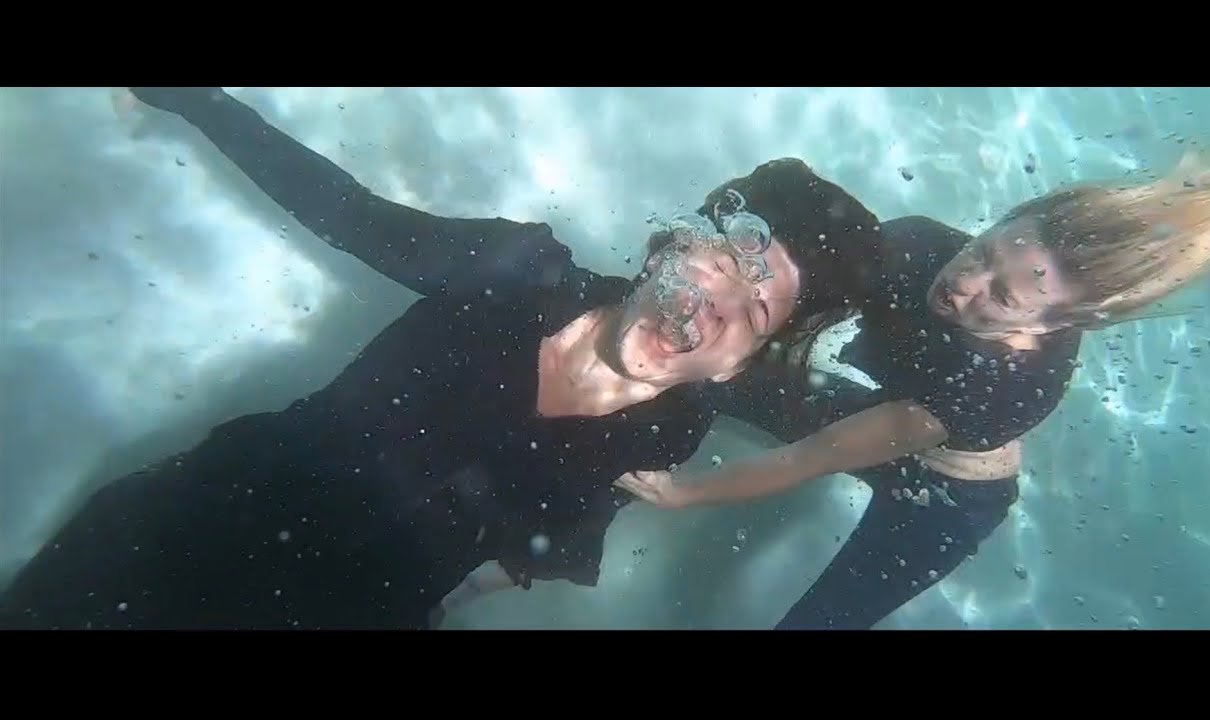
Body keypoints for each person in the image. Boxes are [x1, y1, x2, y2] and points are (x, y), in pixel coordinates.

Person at [0, 88, 883, 630]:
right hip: (180, 535)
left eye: (754, 311)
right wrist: (195, 99)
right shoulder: (515, 270)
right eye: (723, 261)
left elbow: (551, 540)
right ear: (670, 246)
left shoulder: (674, 428)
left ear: (735, 366)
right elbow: (346, 213)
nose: (712, 308)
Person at [616, 143, 1210, 629]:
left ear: (1055, 323)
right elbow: (803, 284)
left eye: (1002, 297)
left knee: (821, 623)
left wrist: (684, 494)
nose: (964, 284)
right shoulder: (921, 244)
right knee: (683, 376)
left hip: (940, 495)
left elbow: (807, 459)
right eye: (984, 251)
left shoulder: (997, 388)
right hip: (887, 400)